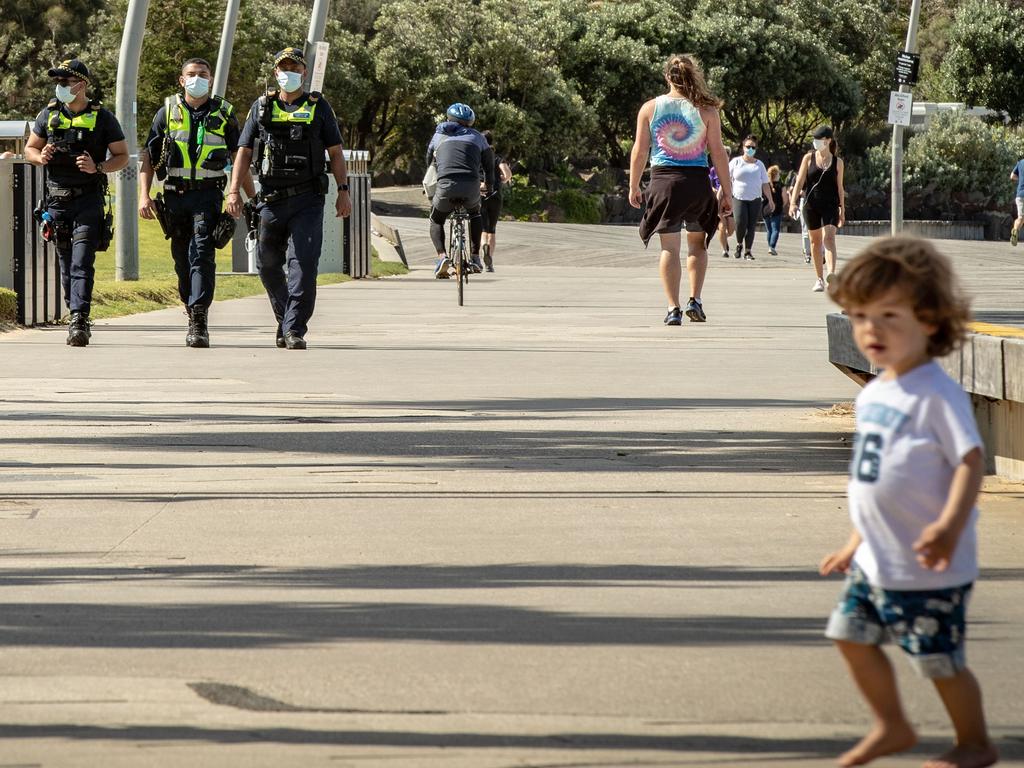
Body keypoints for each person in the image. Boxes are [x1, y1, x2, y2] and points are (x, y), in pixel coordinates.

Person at [820, 237, 998, 768]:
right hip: (876, 561)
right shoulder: (874, 393)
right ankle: (892, 725)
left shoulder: (935, 394)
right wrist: (855, 541)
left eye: (889, 316)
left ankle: (974, 742)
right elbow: (872, 475)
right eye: (859, 317)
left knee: (938, 660)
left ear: (930, 320)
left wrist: (948, 526)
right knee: (849, 636)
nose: (871, 330)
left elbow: (970, 462)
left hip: (928, 568)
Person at [227, 47, 351, 350]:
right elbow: (243, 151)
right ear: (275, 73)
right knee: (267, 264)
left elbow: (335, 153)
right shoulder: (260, 107)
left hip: (308, 199)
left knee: (303, 265)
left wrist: (343, 192)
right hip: (270, 199)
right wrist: (234, 190)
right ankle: (285, 317)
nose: (288, 72)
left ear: (304, 72)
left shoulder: (320, 108)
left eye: (294, 67)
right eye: (283, 67)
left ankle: (295, 328)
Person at [139, 57, 252, 348]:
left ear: (211, 79)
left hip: (208, 195)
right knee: (181, 260)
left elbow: (240, 158)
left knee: (202, 254)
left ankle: (199, 318)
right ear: (182, 80)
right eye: (192, 74)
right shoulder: (166, 112)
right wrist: (144, 195)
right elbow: (148, 158)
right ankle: (191, 310)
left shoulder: (225, 113)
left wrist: (246, 198)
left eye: (203, 74)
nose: (197, 79)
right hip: (175, 196)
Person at [24, 59, 129, 347]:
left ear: (81, 84)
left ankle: (79, 319)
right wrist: (40, 156)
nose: (59, 87)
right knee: (66, 261)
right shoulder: (48, 114)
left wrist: (98, 167)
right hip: (57, 200)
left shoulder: (103, 118)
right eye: (57, 82)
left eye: (64, 82)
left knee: (82, 261)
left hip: (88, 201)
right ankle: (75, 310)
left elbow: (121, 156)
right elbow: (30, 149)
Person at [629, 54, 731, 326]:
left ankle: (673, 308)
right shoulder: (707, 111)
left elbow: (640, 151)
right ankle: (694, 300)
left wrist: (634, 185)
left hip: (664, 183)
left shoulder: (650, 108)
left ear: (667, 77)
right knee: (698, 245)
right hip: (697, 183)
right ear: (694, 76)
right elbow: (718, 153)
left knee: (669, 249)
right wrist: (727, 192)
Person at [426, 103, 493, 278]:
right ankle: (476, 257)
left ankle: (442, 257)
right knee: (475, 214)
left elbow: (428, 161)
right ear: (470, 122)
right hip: (471, 185)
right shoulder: (478, 137)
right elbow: (489, 165)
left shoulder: (438, 135)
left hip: (445, 185)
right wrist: (489, 185)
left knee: (436, 219)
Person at [789, 125, 846, 292]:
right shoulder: (808, 158)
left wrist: (842, 208)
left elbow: (840, 188)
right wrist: (792, 203)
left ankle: (832, 275)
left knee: (829, 237)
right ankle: (819, 279)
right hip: (811, 204)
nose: (815, 143)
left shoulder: (838, 162)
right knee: (815, 241)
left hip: (831, 204)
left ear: (827, 141)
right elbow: (799, 182)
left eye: (818, 140)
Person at [728, 135, 773, 260]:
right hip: (738, 197)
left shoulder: (760, 165)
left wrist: (770, 200)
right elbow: (726, 179)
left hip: (755, 199)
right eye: (748, 146)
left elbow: (765, 183)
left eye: (753, 147)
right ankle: (739, 244)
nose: (750, 149)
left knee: (751, 225)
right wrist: (722, 194)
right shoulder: (736, 162)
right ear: (743, 147)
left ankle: (748, 251)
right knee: (740, 222)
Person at [478, 129, 512, 273]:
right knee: (491, 229)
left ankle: (482, 249)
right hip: (495, 195)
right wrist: (502, 180)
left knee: (482, 229)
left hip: (479, 195)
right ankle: (489, 262)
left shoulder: (477, 158)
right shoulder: (498, 158)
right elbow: (507, 174)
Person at [709, 151, 735, 259]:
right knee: (722, 226)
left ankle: (724, 238)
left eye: (726, 155)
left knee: (731, 229)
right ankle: (724, 250)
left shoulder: (732, 169)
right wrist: (713, 189)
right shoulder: (713, 170)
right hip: (718, 201)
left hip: (729, 200)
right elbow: (709, 183)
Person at [762, 165, 787, 256]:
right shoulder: (781, 185)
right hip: (777, 209)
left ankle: (770, 246)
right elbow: (785, 199)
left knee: (769, 230)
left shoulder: (765, 185)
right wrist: (782, 205)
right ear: (776, 174)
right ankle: (772, 246)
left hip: (765, 209)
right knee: (775, 229)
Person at [1009, 155, 1024, 246]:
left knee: (1021, 218)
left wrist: (1021, 179)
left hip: (1020, 195)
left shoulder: (1020, 162)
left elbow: (1012, 176)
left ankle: (1015, 230)